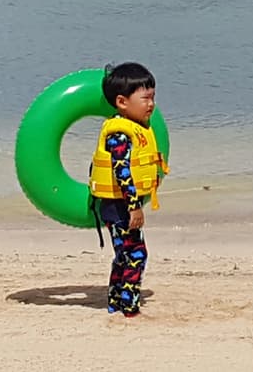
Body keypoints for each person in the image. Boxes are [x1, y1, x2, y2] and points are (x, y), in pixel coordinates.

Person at [90, 62, 169, 317]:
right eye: (145, 98)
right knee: (136, 254)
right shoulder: (120, 134)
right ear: (122, 102)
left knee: (125, 254)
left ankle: (116, 303)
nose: (151, 104)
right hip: (119, 206)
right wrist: (134, 206)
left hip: (118, 205)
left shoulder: (134, 128)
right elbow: (121, 170)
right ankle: (129, 307)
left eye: (153, 97)